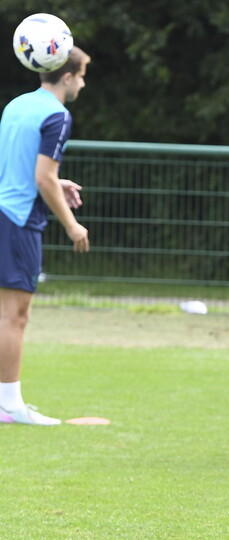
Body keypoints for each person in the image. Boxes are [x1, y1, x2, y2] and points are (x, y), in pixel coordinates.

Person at [0, 47, 92, 425]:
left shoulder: (17, 105)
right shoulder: (57, 114)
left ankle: (7, 402)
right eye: (82, 75)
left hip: (4, 211)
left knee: (6, 314)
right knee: (15, 316)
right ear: (67, 77)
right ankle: (9, 406)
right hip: (18, 219)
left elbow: (18, 165)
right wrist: (72, 224)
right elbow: (40, 177)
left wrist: (58, 181)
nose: (84, 83)